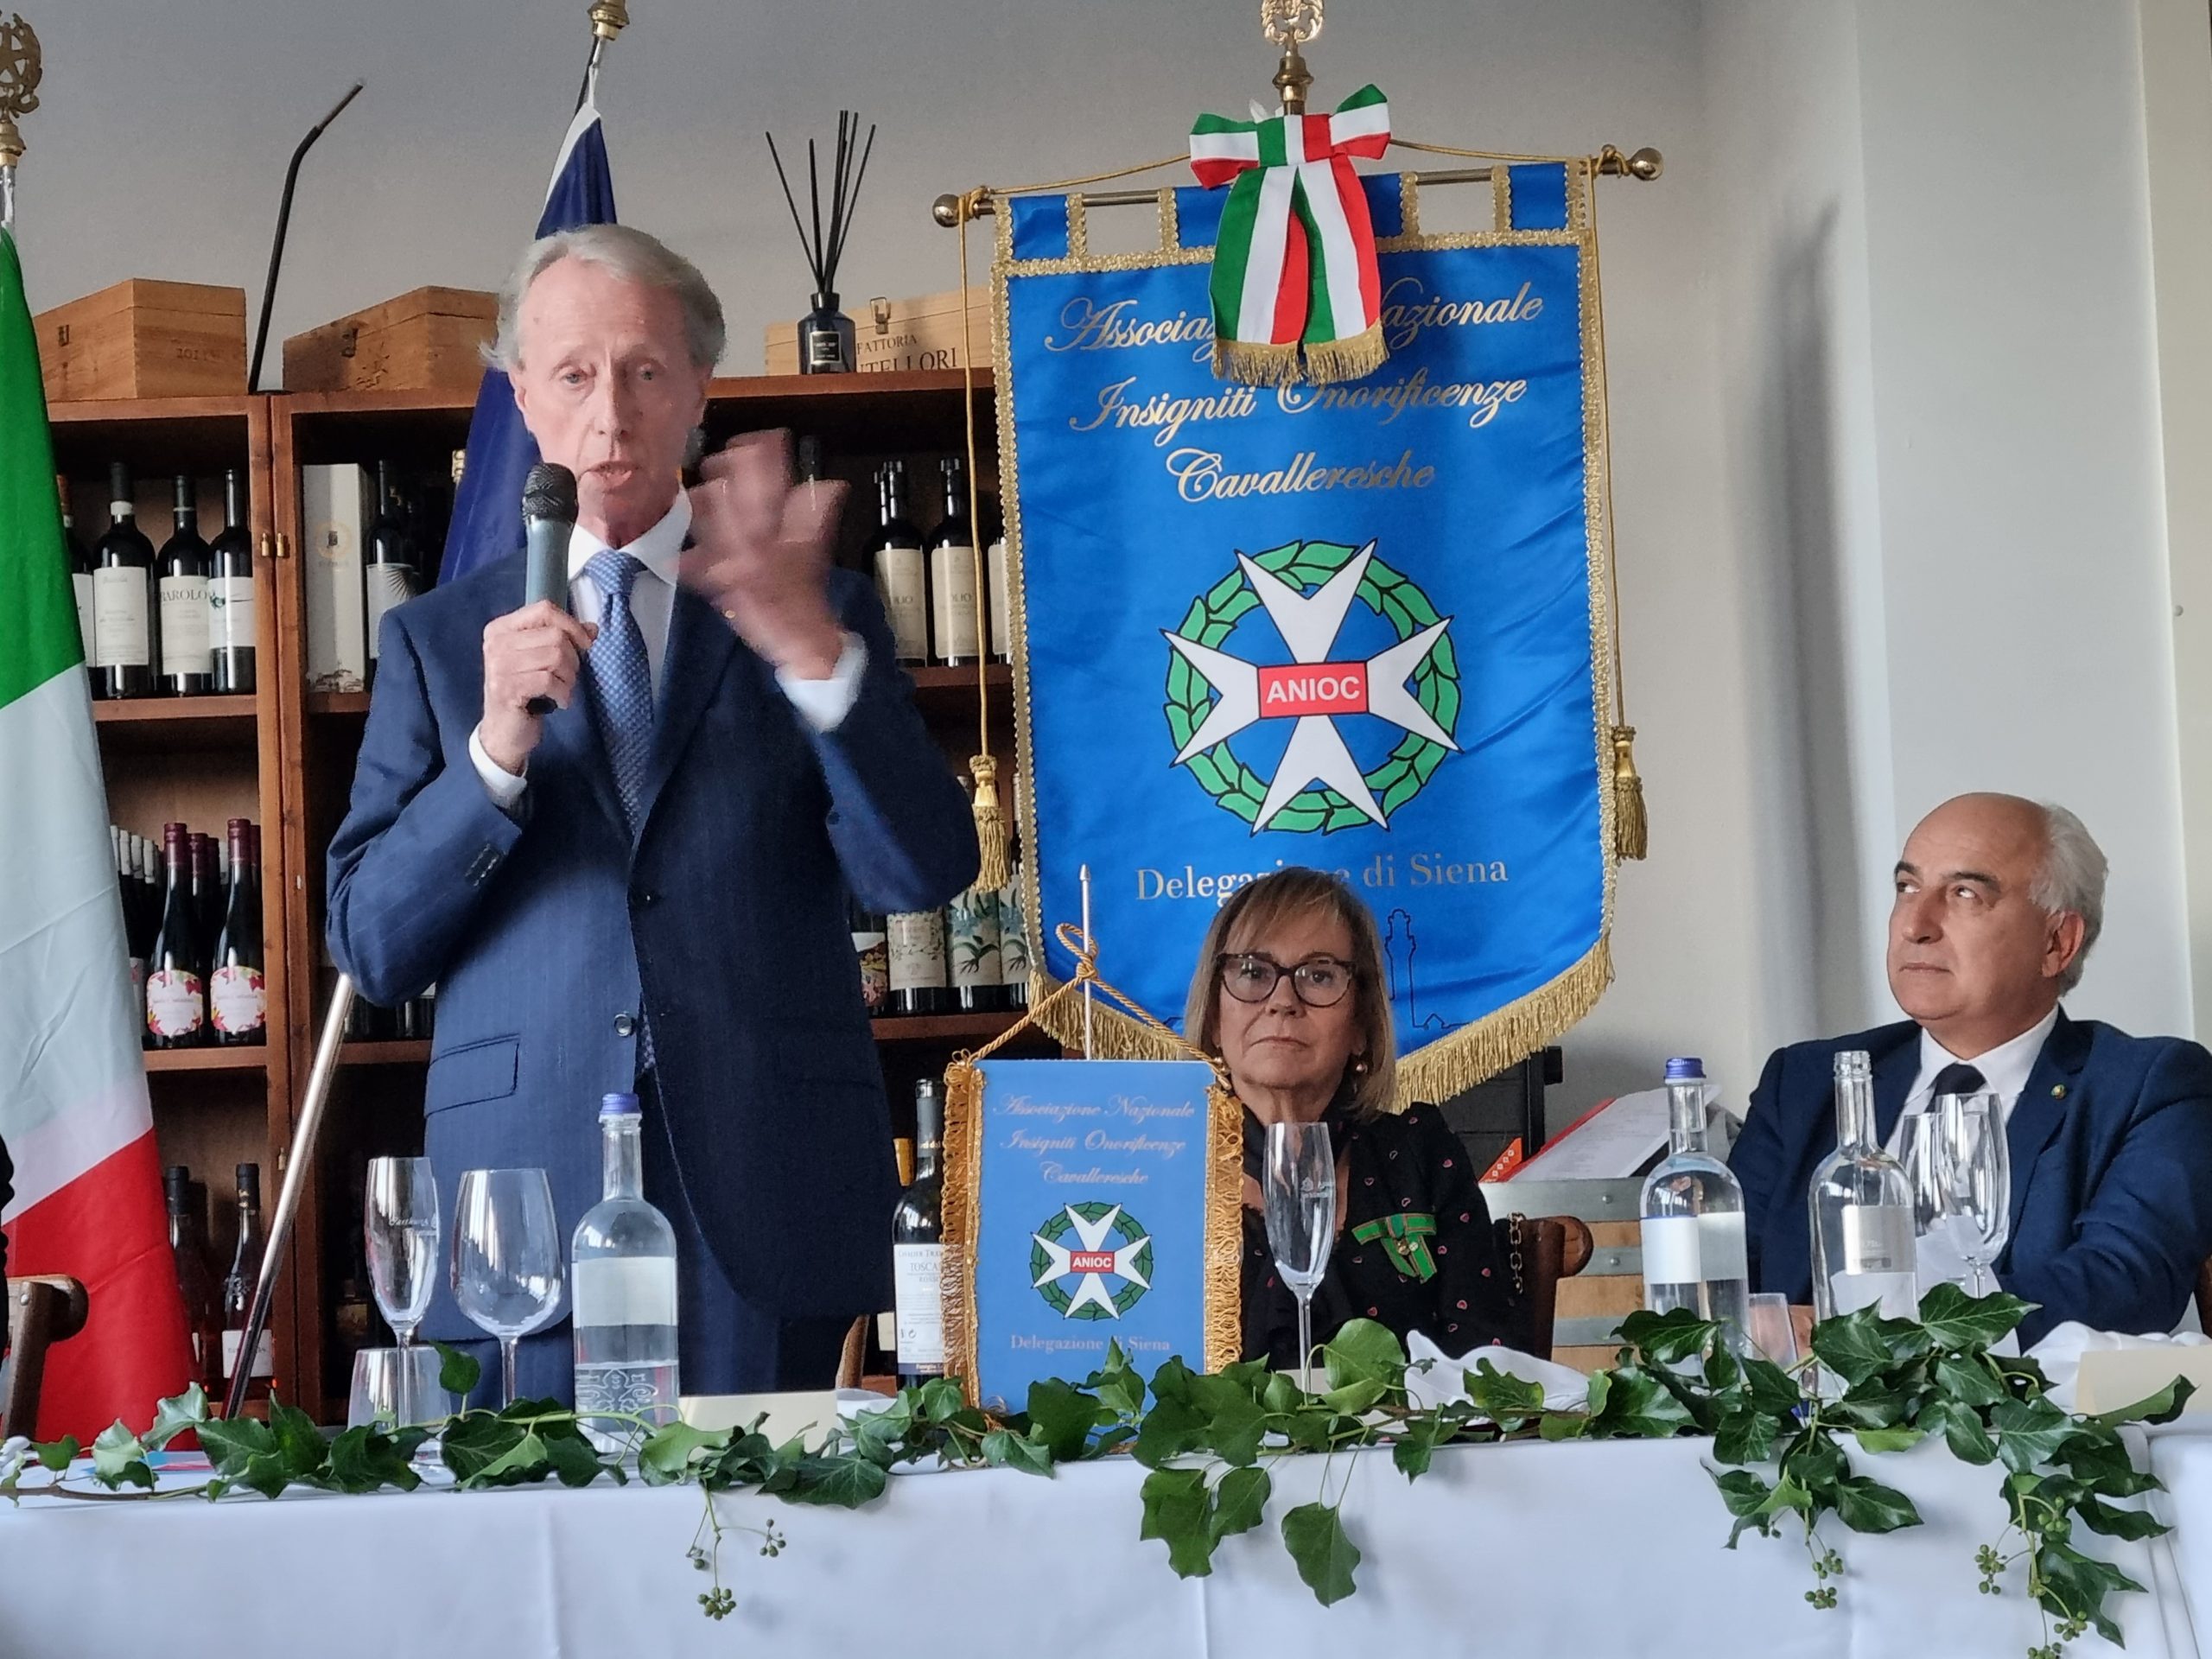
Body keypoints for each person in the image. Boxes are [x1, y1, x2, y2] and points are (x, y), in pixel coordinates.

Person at [326, 225, 978, 1400]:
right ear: (522, 396)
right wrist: (493, 754)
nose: (611, 415)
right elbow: (371, 945)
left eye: (643, 371)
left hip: (764, 1185)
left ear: (700, 391)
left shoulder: (818, 603)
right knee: (531, 1521)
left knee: (764, 1515)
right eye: (574, 374)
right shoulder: (435, 641)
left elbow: (923, 869)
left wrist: (815, 663)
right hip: (517, 1205)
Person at [1731, 793, 2212, 1345]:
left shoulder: (2151, 1085)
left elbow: (2123, 1285)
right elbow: (1719, 1286)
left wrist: (1872, 1338)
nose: (1915, 925)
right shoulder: (1805, 1081)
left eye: (1965, 893)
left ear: (2057, 942)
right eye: (1906, 887)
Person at [1183, 868, 1517, 1367]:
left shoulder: (1421, 1154)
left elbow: (1486, 1361)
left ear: (1361, 1023)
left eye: (1319, 975)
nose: (1282, 1002)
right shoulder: (1164, 1168)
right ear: (1214, 1017)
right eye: (1253, 972)